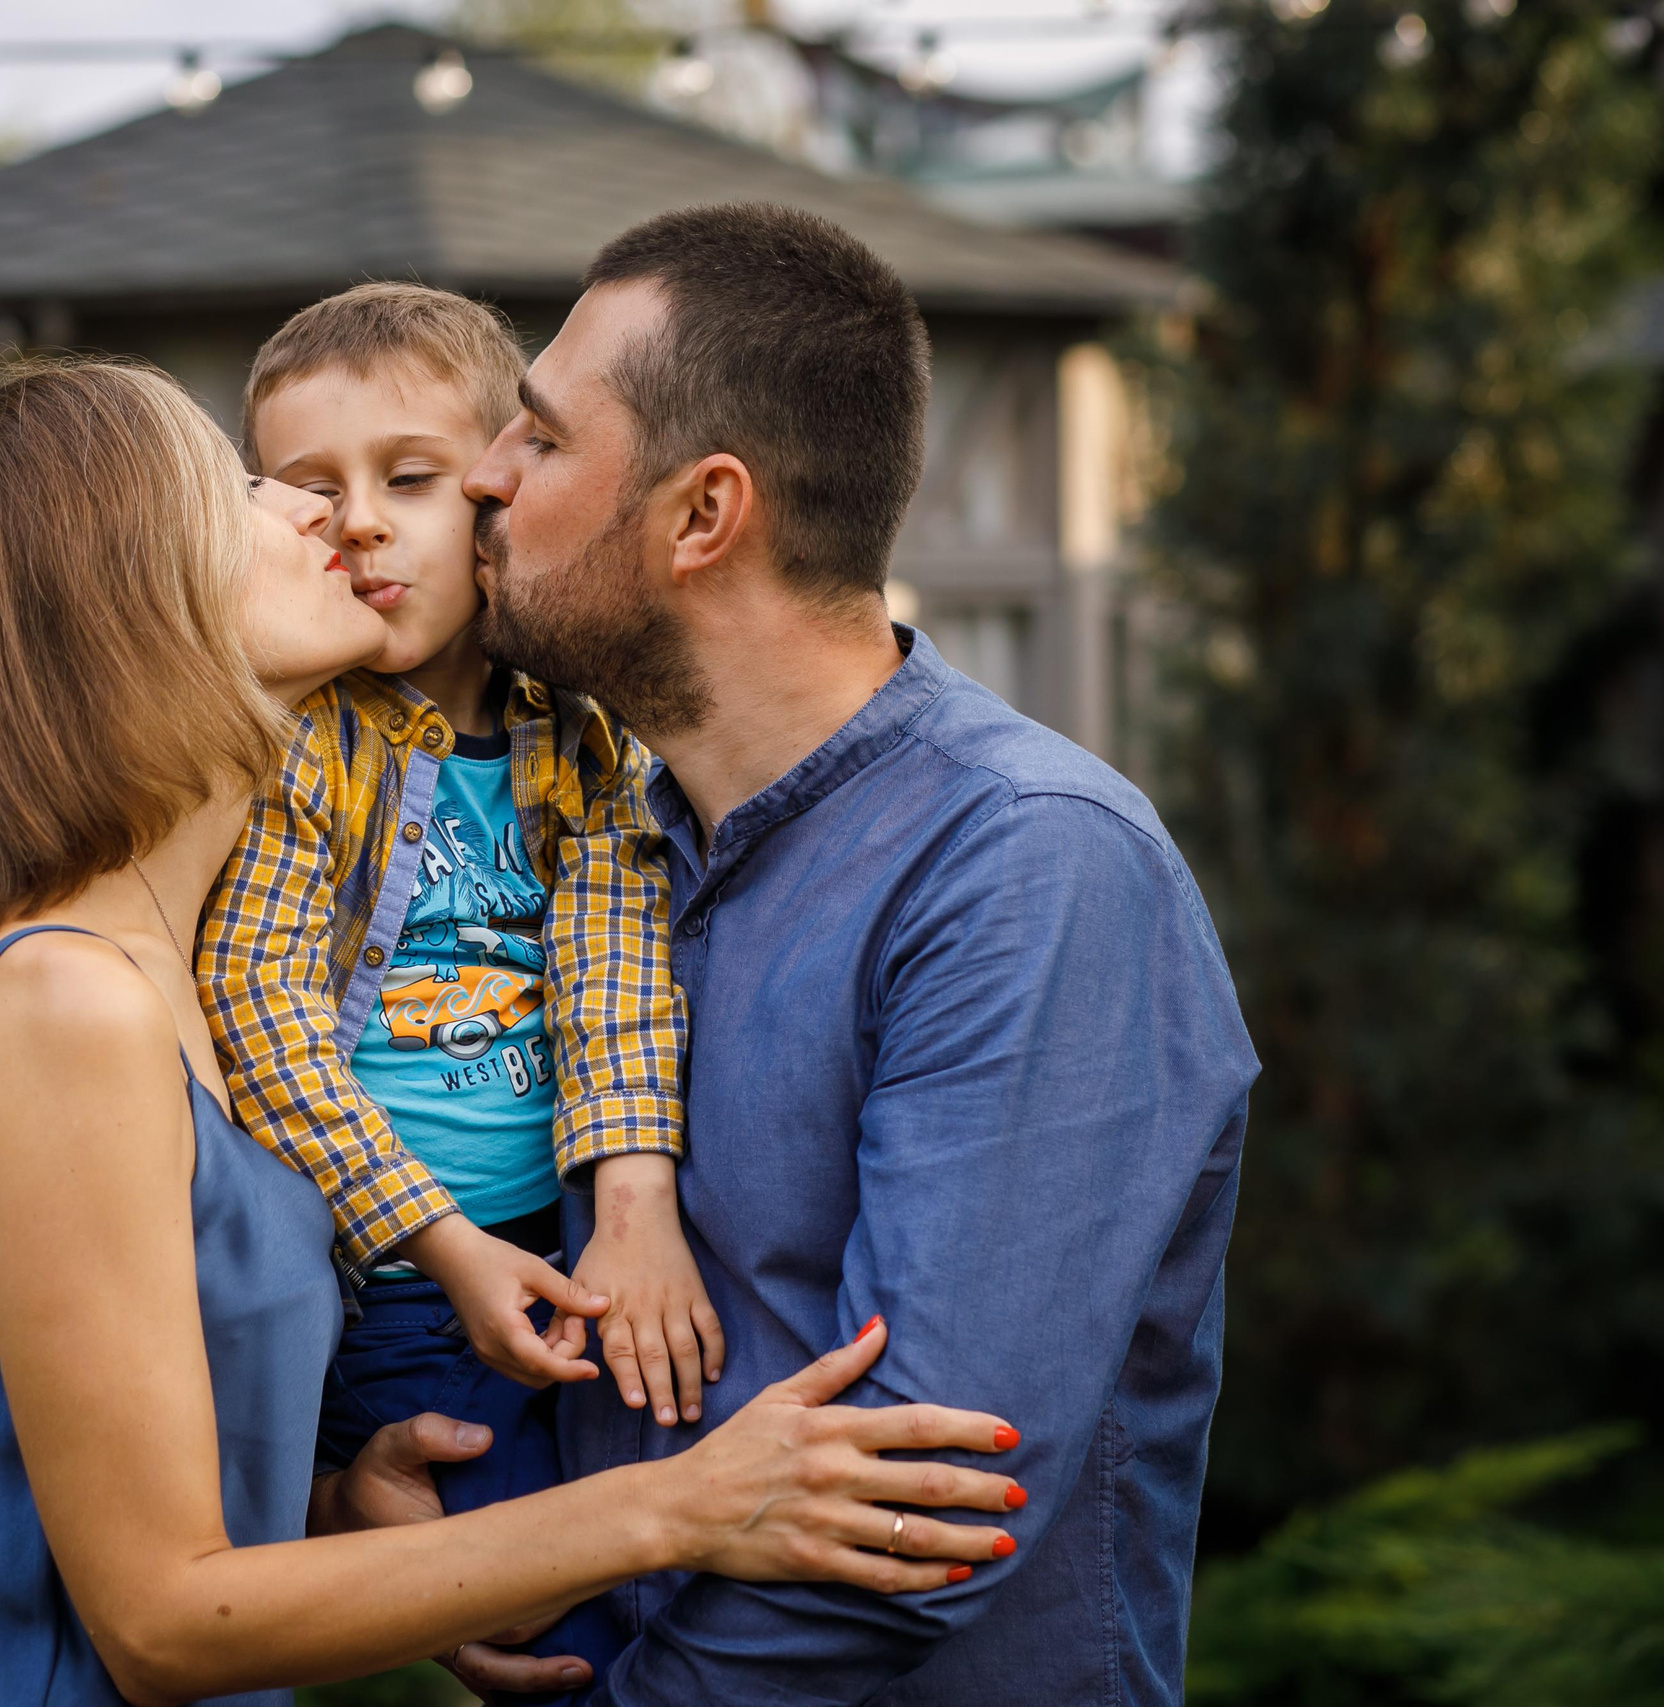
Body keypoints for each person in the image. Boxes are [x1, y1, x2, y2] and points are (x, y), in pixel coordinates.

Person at [0, 358, 1030, 1707]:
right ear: (118, 602)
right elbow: (158, 1622)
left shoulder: (158, 973)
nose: (318, 513)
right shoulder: (64, 1002)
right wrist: (681, 1504)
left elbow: (116, 1502)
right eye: (240, 492)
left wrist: (349, 1516)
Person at [457, 204, 1261, 1704]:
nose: (482, 475)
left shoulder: (1027, 867)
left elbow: (920, 1510)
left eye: (542, 437)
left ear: (703, 515)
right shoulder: (602, 864)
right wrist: (431, 1516)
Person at [201, 285, 721, 1503]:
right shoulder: (299, 741)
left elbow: (614, 976)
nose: (360, 523)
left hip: (561, 1243)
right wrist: (445, 1247)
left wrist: (637, 1202)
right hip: (388, 1280)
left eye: (409, 479)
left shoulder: (580, 735)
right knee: (523, 1555)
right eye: (313, 491)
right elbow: (258, 1009)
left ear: (495, 491)